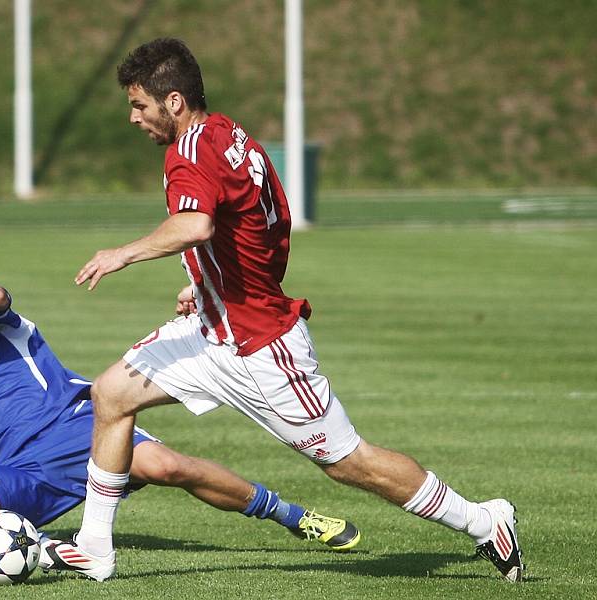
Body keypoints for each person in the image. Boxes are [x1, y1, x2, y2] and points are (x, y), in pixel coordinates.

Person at [66, 38, 525, 583]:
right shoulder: (232, 136)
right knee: (111, 393)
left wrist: (123, 253)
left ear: (173, 102)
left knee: (349, 463)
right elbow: (265, 229)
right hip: (214, 330)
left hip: (262, 348)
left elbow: (196, 225)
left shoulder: (187, 152)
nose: (133, 117)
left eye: (139, 105)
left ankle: (482, 521)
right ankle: (94, 546)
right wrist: (208, 285)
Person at [0, 260, 360, 572]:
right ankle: (43, 550)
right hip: (21, 473)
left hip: (78, 427)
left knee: (169, 468)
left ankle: (295, 517)